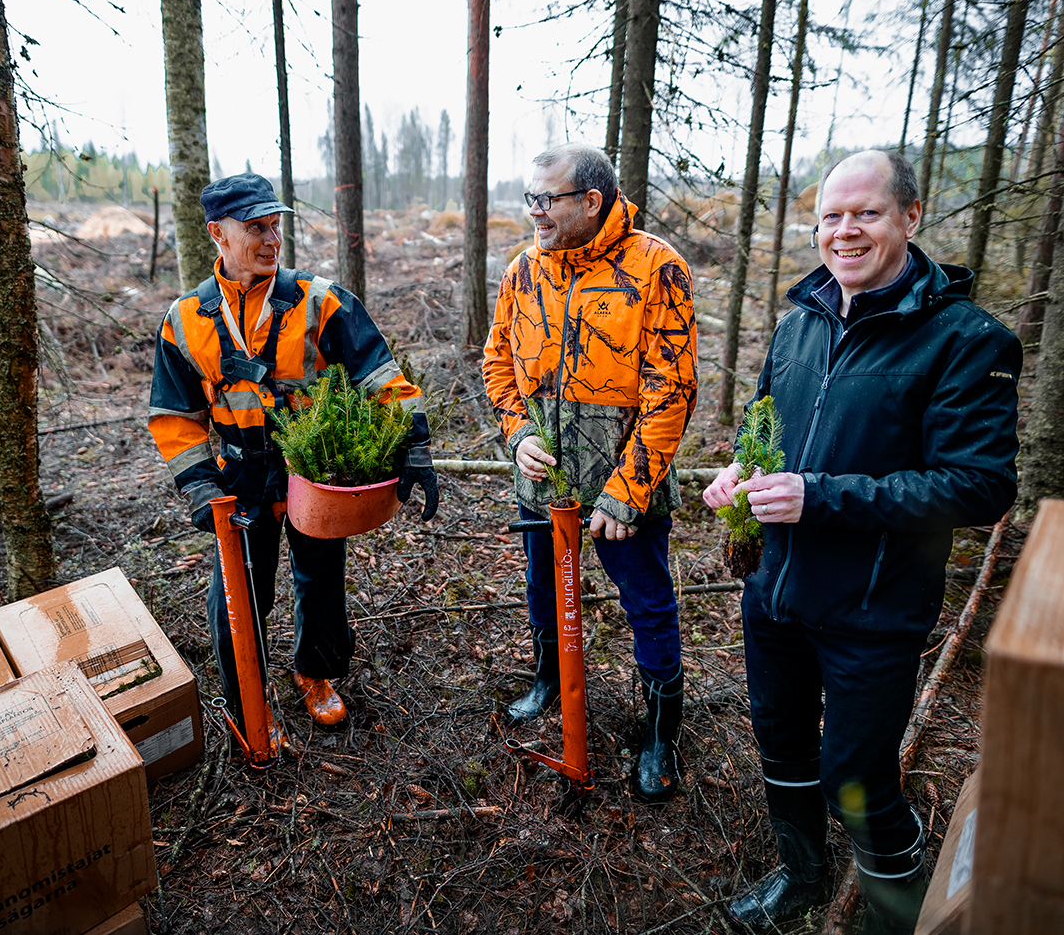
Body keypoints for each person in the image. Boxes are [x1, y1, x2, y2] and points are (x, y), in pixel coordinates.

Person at [702, 150, 1021, 935]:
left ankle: (893, 908)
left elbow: (980, 485)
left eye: (865, 212)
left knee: (854, 773)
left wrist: (818, 496)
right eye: (830, 216)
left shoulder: (964, 339)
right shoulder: (800, 320)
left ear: (910, 218)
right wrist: (742, 466)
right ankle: (801, 876)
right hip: (774, 591)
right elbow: (762, 421)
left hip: (874, 608)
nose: (844, 230)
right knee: (779, 739)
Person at [147, 172, 439, 732]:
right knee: (237, 593)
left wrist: (414, 440)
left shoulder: (321, 301)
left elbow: (380, 376)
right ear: (217, 233)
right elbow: (174, 417)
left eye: (274, 227)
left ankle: (316, 672)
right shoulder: (184, 321)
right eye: (254, 228)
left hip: (314, 471)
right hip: (237, 476)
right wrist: (200, 484)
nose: (270, 240)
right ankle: (245, 698)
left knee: (321, 580)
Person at [482, 143, 698, 803]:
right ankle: (550, 679)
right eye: (529, 198)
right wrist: (517, 432)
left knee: (647, 603)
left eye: (546, 199)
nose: (535, 212)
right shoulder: (523, 269)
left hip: (622, 489)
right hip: (544, 482)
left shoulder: (655, 266)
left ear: (591, 201)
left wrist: (625, 492)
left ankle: (659, 730)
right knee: (541, 584)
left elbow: (670, 392)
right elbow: (496, 361)